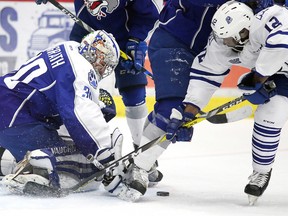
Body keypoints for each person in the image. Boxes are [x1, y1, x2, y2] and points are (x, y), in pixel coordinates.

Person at [117, 0, 275, 202]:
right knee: (172, 110)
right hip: (174, 40)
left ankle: (143, 155)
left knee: (171, 113)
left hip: (217, 43)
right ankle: (140, 166)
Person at [165, 0, 288, 205]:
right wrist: (190, 110)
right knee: (269, 115)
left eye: (229, 39)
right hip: (283, 75)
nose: (225, 43)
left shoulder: (270, 18)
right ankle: (261, 172)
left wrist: (259, 78)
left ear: (244, 30)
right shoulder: (227, 38)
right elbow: (207, 72)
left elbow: (282, 41)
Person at [35, 0, 161, 185]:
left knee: (133, 92)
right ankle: (71, 149)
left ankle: (142, 155)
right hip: (86, 34)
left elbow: (150, 11)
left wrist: (137, 38)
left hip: (125, 38)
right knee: (73, 89)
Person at [0, 30, 128, 197]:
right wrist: (107, 158)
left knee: (56, 141)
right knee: (80, 165)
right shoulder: (82, 70)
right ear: (98, 55)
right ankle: (35, 171)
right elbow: (82, 114)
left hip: (8, 102)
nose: (104, 70)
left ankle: (6, 157)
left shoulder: (69, 47)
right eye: (106, 62)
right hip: (14, 115)